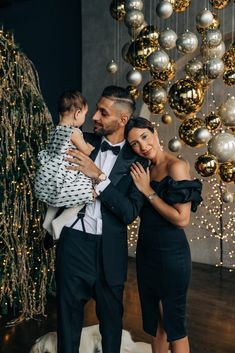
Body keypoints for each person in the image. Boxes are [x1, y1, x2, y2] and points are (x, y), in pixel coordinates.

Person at [55, 86, 148, 353]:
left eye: (103, 112)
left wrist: (99, 177)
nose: (94, 116)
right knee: (68, 318)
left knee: (111, 323)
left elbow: (129, 212)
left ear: (122, 120)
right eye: (95, 109)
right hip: (73, 243)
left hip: (109, 250)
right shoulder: (80, 140)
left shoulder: (138, 160)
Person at [124, 116, 202, 353]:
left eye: (144, 137)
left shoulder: (175, 167)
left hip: (172, 255)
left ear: (154, 132)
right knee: (156, 324)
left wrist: (147, 191)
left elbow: (182, 219)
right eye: (134, 143)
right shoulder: (143, 169)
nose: (142, 146)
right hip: (147, 253)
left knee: (173, 323)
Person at [34, 90, 94, 239]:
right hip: (66, 172)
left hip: (50, 172)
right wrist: (90, 147)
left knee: (55, 198)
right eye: (84, 115)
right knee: (86, 196)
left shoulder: (56, 129)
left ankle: (47, 221)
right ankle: (59, 222)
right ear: (77, 113)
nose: (84, 119)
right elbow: (85, 151)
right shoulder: (73, 132)